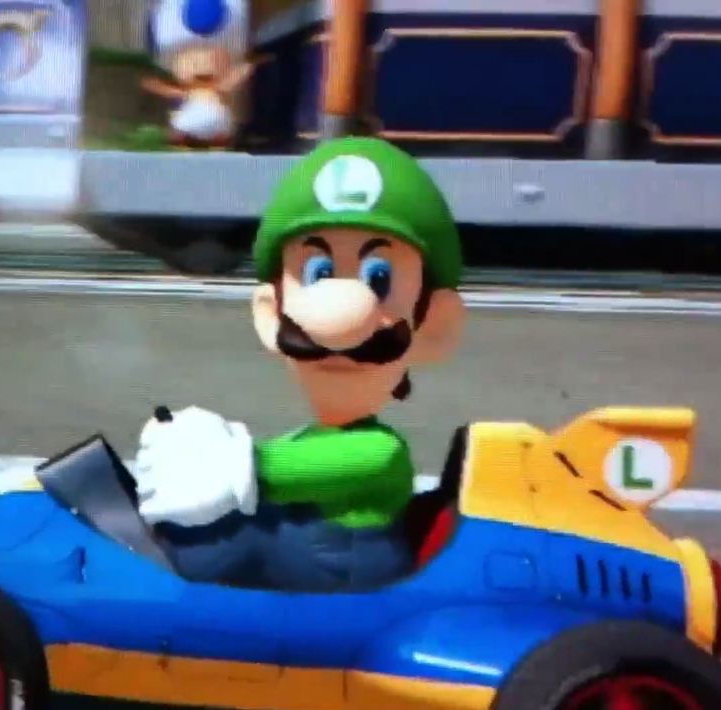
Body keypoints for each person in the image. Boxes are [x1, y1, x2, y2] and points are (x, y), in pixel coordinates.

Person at [133, 137, 467, 592]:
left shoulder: (381, 452)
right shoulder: (311, 436)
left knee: (213, 548)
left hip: (348, 565)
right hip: (319, 552)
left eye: (379, 278)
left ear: (432, 325)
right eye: (319, 273)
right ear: (272, 313)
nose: (341, 312)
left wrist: (214, 461)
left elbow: (267, 471)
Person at [140, 0, 254, 149]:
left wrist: (243, 71)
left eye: (214, 59)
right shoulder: (192, 90)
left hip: (215, 117)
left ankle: (216, 138)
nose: (202, 65)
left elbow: (232, 80)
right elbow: (172, 91)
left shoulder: (215, 87)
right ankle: (188, 136)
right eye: (191, 61)